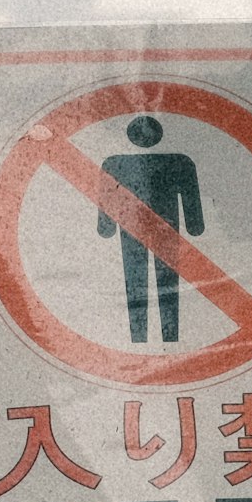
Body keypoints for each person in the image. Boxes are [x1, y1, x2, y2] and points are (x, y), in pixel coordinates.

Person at [97, 116, 205, 344]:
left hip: (134, 229)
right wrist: (195, 226)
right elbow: (191, 202)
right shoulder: (180, 162)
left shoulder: (114, 163)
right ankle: (167, 338)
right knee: (166, 284)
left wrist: (106, 227)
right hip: (163, 229)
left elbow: (107, 203)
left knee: (136, 283)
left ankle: (143, 339)